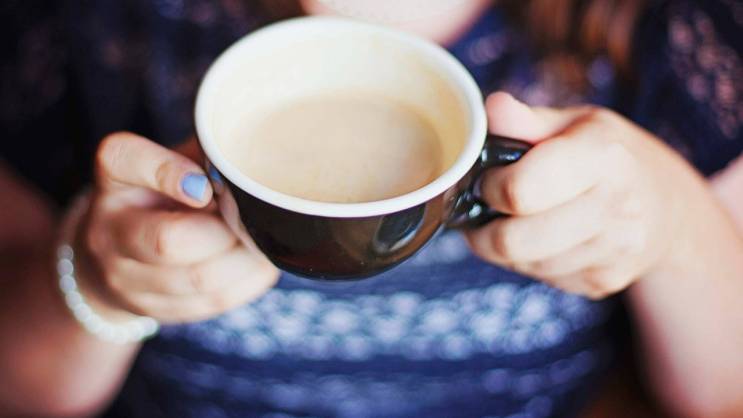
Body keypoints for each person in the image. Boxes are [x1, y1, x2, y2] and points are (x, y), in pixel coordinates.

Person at [1, 0, 742, 417]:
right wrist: (91, 282)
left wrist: (674, 222)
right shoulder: (79, 25)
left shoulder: (672, 31)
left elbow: (725, 394)